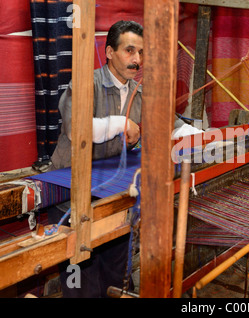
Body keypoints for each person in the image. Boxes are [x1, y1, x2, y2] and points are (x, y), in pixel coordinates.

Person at [47, 20, 144, 298]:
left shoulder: (139, 93)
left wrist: (206, 138)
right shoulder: (85, 84)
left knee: (115, 278)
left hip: (111, 198)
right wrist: (120, 125)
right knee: (81, 283)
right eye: (129, 51)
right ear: (110, 52)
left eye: (140, 52)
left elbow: (169, 125)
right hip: (70, 198)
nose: (136, 59)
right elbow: (77, 129)